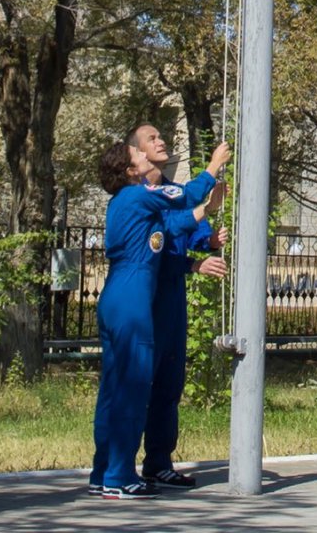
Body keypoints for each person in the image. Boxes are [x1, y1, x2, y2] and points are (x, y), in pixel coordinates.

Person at [90, 137, 231, 500]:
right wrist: (213, 166)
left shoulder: (127, 202)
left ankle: (102, 472)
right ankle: (119, 477)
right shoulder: (139, 195)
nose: (144, 154)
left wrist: (207, 210)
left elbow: (170, 229)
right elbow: (184, 196)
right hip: (133, 297)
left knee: (115, 388)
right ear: (130, 170)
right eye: (138, 153)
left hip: (117, 294)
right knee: (133, 388)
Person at [127, 123, 228, 489]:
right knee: (139, 382)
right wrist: (213, 166)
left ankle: (159, 462)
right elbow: (161, 242)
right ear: (135, 155)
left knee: (169, 383)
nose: (161, 141)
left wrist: (210, 240)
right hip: (145, 299)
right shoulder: (139, 196)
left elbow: (189, 230)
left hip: (171, 299)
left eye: (160, 136)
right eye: (151, 138)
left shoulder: (170, 192)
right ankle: (120, 467)